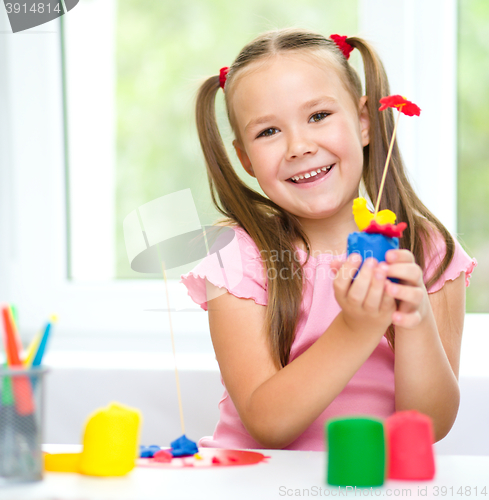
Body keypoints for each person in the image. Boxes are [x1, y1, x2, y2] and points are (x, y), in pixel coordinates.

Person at [180, 28, 477, 451]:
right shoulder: (238, 258)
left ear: (364, 122)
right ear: (245, 158)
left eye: (318, 116)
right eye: (268, 132)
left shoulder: (429, 252)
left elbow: (428, 426)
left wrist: (416, 320)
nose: (299, 146)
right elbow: (268, 423)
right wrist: (356, 328)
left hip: (372, 481)